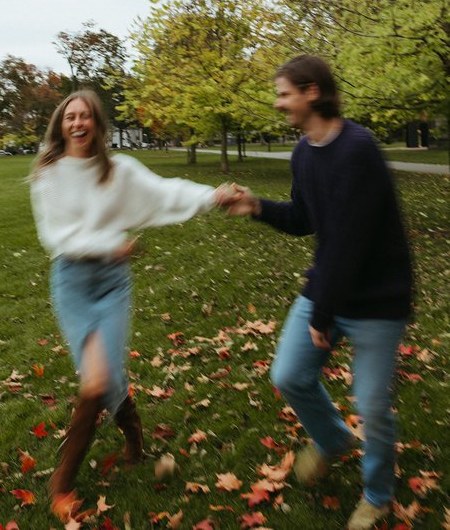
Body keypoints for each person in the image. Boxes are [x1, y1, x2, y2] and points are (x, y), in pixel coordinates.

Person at [219, 55, 413, 530]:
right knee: (289, 374)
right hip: (330, 285)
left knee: (369, 404)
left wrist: (322, 315)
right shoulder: (305, 151)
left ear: (311, 92)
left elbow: (350, 242)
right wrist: (257, 206)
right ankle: (333, 440)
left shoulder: (358, 148)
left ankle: (378, 494)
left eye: (284, 92)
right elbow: (307, 219)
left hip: (376, 299)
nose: (277, 102)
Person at [30, 89, 233, 520]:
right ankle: (63, 483)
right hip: (73, 283)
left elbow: (164, 192)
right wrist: (109, 244)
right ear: (60, 124)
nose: (78, 123)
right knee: (96, 380)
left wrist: (211, 196)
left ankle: (130, 437)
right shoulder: (47, 173)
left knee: (104, 376)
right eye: (71, 117)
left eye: (86, 116)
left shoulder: (117, 170)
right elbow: (56, 236)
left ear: (98, 125)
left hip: (113, 284)